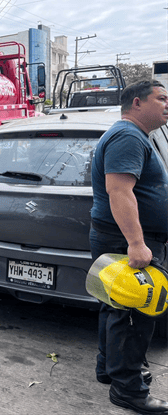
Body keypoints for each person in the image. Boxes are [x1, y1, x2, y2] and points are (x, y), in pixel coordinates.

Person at [89, 79, 168, 415]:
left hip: (121, 237)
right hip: (127, 240)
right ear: (137, 103)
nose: (167, 104)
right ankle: (129, 390)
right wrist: (137, 243)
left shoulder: (134, 135)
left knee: (116, 306)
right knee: (137, 312)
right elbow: (119, 191)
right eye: (162, 98)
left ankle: (109, 369)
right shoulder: (127, 135)